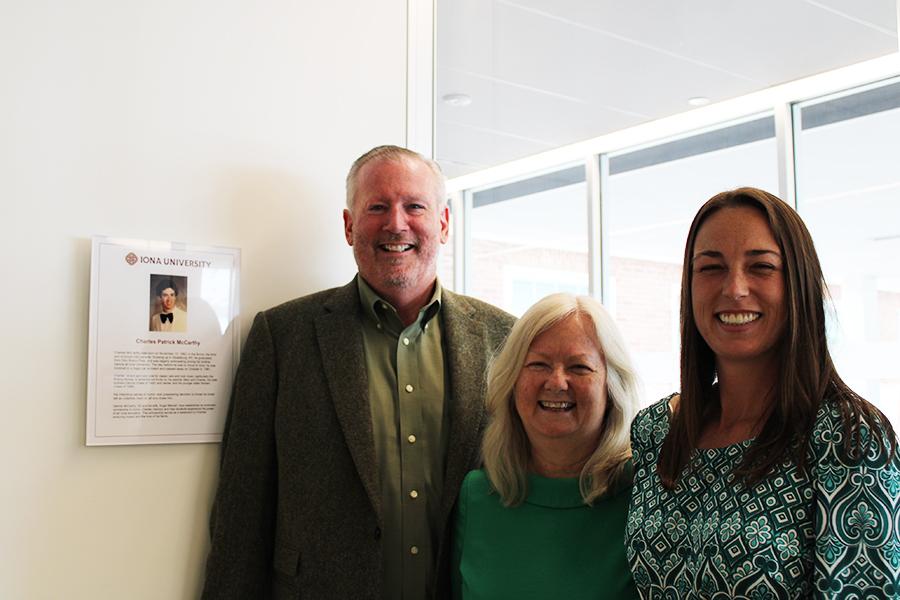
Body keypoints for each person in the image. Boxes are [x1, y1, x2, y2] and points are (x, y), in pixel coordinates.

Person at [201, 145, 515, 600]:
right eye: (377, 207)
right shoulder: (282, 336)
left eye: (414, 206)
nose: (396, 223)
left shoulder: (504, 338)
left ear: (444, 223)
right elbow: (241, 510)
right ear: (349, 226)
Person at [626, 187, 900, 598]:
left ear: (798, 286)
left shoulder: (847, 436)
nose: (735, 288)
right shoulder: (657, 431)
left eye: (762, 267)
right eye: (711, 268)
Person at [453, 293, 640, 600]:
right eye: (538, 364)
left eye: (579, 367)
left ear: (612, 388)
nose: (556, 382)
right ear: (512, 381)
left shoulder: (642, 495)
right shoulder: (477, 496)